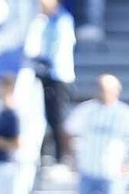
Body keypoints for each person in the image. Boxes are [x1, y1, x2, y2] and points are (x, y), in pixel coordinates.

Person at [22, 0, 75, 166]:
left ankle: (61, 157)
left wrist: (42, 60)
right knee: (42, 117)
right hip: (44, 75)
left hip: (58, 77)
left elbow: (57, 48)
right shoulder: (43, 20)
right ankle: (45, 154)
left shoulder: (63, 20)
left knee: (56, 118)